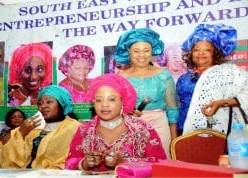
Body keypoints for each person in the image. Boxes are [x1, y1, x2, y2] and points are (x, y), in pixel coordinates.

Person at [65, 74, 166, 171]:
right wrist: (85, 163)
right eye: (99, 100)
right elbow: (69, 163)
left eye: (111, 99)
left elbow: (159, 165)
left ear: (123, 101)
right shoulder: (84, 130)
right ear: (93, 102)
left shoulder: (142, 129)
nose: (104, 105)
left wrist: (123, 162)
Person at [112, 28, 179, 158]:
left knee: (160, 165)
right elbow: (115, 107)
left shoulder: (163, 75)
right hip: (130, 126)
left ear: (152, 51)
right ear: (128, 52)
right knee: (133, 165)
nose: (141, 55)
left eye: (146, 50)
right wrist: (126, 111)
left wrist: (174, 139)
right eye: (136, 51)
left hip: (159, 124)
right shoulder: (121, 77)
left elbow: (172, 109)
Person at [177, 24, 248, 135]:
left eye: (207, 50)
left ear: (215, 54)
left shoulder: (229, 73)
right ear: (191, 54)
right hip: (184, 131)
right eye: (196, 50)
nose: (201, 53)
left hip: (218, 131)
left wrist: (222, 103)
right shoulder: (183, 79)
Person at [0, 85, 81, 169]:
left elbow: (74, 162)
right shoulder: (34, 128)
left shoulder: (74, 127)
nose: (43, 106)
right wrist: (21, 133)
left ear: (62, 103)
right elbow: (4, 159)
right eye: (40, 103)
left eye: (49, 102)